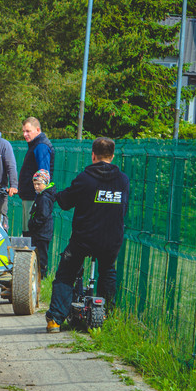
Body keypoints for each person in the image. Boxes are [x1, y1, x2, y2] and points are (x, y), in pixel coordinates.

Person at [45, 138, 129, 333]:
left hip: (83, 240)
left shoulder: (85, 178)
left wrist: (55, 194)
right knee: (107, 271)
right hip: (111, 240)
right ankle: (107, 314)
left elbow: (65, 202)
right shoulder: (123, 180)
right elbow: (123, 208)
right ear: (112, 156)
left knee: (66, 273)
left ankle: (56, 320)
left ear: (93, 155)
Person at [19, 117, 54, 235]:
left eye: (28, 131)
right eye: (23, 131)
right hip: (29, 197)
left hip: (34, 199)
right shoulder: (35, 145)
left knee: (31, 237)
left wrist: (39, 200)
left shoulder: (41, 146)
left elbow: (43, 175)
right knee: (27, 235)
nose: (25, 134)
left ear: (37, 130)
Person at [26, 169, 56, 279]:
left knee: (42, 256)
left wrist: (33, 224)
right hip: (40, 232)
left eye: (39, 184)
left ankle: (41, 276)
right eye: (34, 184)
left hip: (42, 233)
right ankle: (37, 275)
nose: (36, 186)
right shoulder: (42, 195)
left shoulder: (44, 198)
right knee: (38, 255)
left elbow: (42, 216)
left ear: (45, 183)